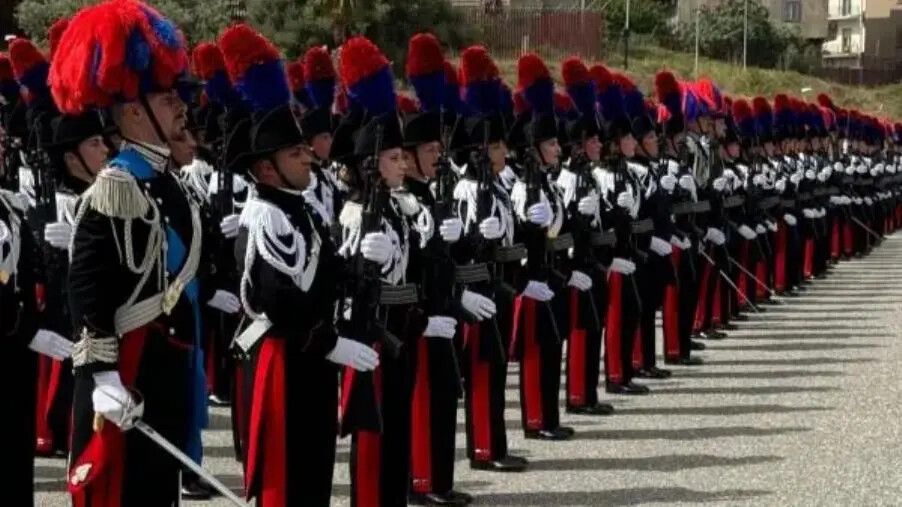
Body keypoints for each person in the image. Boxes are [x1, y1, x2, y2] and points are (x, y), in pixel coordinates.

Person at [49, 2, 228, 504]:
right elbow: (87, 285)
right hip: (126, 369)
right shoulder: (115, 186)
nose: (181, 108)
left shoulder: (168, 183)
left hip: (169, 370)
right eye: (168, 99)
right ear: (134, 112)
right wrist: (101, 373)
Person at [453, 45, 529, 473]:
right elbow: (462, 247)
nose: (504, 154)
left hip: (501, 284)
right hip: (480, 289)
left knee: (498, 371)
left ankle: (496, 443)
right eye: (497, 148)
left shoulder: (498, 187)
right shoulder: (467, 190)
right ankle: (484, 448)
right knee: (483, 373)